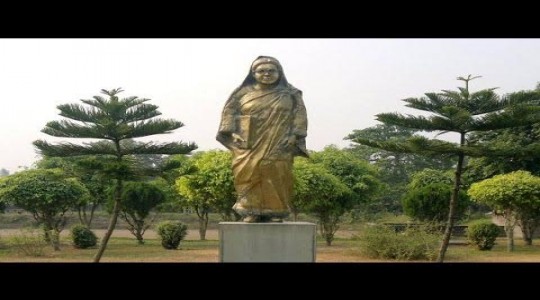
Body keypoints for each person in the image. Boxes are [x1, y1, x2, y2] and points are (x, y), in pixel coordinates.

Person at [216, 56, 308, 223]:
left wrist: (294, 135)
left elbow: (299, 115)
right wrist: (232, 133)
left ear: (279, 73)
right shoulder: (242, 93)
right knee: (248, 173)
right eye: (262, 71)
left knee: (277, 173)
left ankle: (276, 211)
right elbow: (229, 113)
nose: (267, 74)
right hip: (248, 145)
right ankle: (251, 210)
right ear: (253, 73)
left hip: (280, 143)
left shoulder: (291, 93)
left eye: (271, 71)